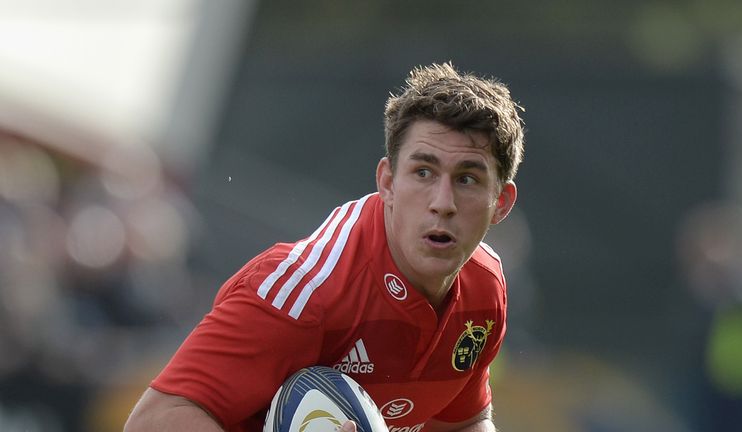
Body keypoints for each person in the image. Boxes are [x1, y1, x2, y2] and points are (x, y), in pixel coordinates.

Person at [124, 62, 525, 432]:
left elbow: (463, 423)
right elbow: (153, 421)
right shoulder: (307, 290)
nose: (442, 202)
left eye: (467, 179)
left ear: (501, 203)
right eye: (423, 172)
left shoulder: (484, 288)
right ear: (387, 183)